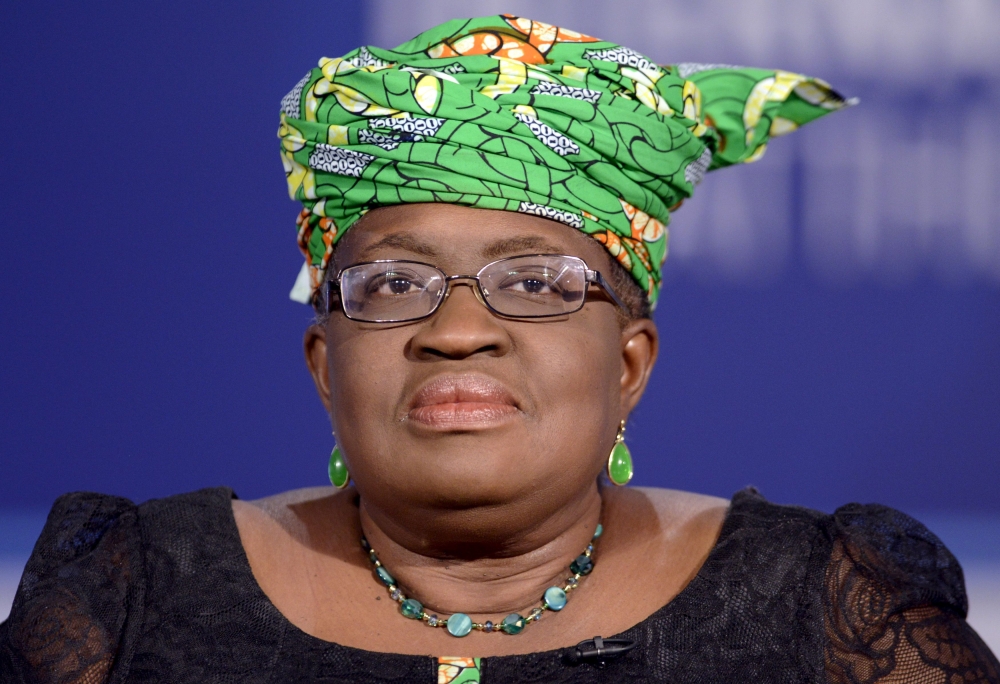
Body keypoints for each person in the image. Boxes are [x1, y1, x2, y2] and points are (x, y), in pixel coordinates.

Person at [2, 14, 997, 684]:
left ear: (628, 365)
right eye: (393, 283)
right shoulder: (129, 599)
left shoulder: (829, 614)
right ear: (323, 364)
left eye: (535, 282)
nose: (457, 329)